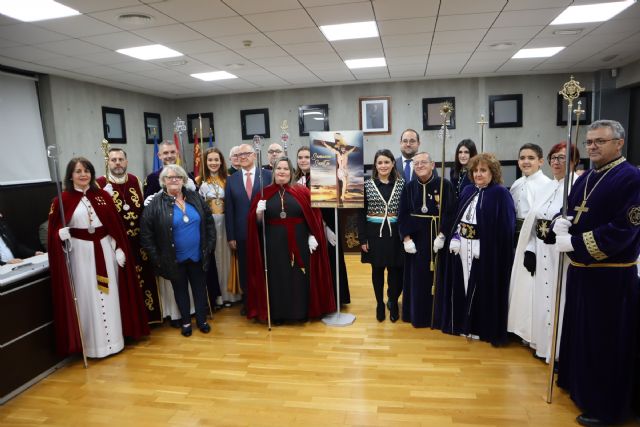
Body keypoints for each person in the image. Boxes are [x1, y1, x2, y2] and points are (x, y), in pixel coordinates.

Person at [552, 120, 640, 426]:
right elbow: (573, 210)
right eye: (589, 142)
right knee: (583, 336)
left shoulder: (632, 178)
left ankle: (606, 407)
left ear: (619, 143)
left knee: (606, 342)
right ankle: (581, 387)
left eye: (599, 142)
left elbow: (624, 230)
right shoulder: (587, 176)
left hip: (611, 278)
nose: (592, 147)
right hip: (581, 273)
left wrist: (574, 241)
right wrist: (558, 223)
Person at [47, 157, 149, 358]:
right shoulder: (61, 200)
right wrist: (59, 235)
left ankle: (115, 342)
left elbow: (114, 227)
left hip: (105, 250)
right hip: (79, 255)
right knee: (87, 298)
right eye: (78, 171)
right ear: (70, 176)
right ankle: (95, 347)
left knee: (110, 295)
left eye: (87, 170)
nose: (83, 175)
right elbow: (53, 232)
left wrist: (118, 248)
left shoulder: (103, 196)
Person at [507, 142, 580, 361]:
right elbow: (533, 221)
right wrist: (530, 249)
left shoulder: (577, 186)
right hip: (540, 249)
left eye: (562, 158)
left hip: (561, 254)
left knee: (558, 299)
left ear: (574, 160)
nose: (557, 162)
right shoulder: (548, 187)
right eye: (554, 158)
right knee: (539, 298)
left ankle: (558, 351)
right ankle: (541, 345)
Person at [246, 157, 335, 323]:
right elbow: (256, 226)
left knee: (299, 278)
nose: (282, 172)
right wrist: (258, 213)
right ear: (274, 172)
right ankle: (279, 314)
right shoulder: (263, 193)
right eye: (279, 168)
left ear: (291, 172)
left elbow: (314, 218)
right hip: (274, 246)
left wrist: (311, 235)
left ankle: (300, 313)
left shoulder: (302, 192)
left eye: (286, 169)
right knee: (277, 279)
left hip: (300, 243)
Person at [440, 153, 515, 345]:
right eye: (475, 171)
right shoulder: (467, 190)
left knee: (480, 288)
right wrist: (455, 237)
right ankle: (462, 324)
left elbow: (506, 229)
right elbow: (459, 219)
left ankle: (480, 328)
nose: (478, 174)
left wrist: (487, 244)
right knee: (463, 284)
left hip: (485, 252)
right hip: (463, 247)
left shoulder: (500, 194)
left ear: (493, 172)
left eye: (483, 170)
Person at [140, 164, 216, 337]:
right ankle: (186, 322)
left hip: (198, 255)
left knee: (199, 289)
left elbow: (209, 222)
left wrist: (209, 246)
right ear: (163, 181)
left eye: (178, 177)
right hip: (173, 259)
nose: (174, 180)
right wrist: (157, 258)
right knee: (180, 291)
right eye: (169, 177)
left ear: (183, 180)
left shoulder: (195, 197)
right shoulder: (155, 204)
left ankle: (202, 321)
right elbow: (146, 234)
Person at [96, 148, 162, 324]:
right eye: (113, 160)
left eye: (120, 159)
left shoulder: (135, 180)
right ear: (107, 162)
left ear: (126, 161)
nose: (117, 163)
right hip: (118, 243)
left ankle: (148, 318)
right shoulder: (99, 184)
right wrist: (105, 198)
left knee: (145, 280)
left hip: (139, 242)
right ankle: (130, 322)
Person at [398, 152, 455, 328]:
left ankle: (437, 317)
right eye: (416, 164)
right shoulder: (408, 187)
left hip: (438, 239)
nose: (420, 166)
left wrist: (443, 234)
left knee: (438, 278)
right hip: (416, 240)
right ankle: (417, 316)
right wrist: (406, 239)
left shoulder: (445, 185)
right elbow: (402, 214)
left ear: (433, 165)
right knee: (417, 279)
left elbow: (451, 212)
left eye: (424, 162)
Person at [143, 140, 196, 325]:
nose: (169, 156)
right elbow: (147, 210)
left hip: (187, 239)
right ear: (159, 156)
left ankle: (191, 312)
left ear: (177, 152)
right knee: (172, 280)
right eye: (165, 153)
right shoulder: (152, 178)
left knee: (189, 279)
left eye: (172, 152)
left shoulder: (187, 175)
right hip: (165, 239)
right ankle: (175, 314)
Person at [295, 146, 351, 306]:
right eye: (300, 157)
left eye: (307, 157)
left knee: (331, 261)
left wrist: (325, 227)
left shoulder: (323, 177)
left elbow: (327, 206)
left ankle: (335, 299)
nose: (303, 160)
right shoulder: (296, 180)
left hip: (325, 226)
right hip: (305, 228)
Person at [358, 149, 405, 322]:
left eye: (387, 162)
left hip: (396, 236)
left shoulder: (402, 184)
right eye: (380, 163)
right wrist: (362, 238)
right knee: (377, 271)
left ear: (393, 163)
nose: (383, 165)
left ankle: (392, 301)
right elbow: (360, 214)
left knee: (395, 272)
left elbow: (406, 212)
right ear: (375, 166)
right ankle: (379, 303)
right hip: (374, 236)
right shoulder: (367, 185)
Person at [224, 143, 272, 315]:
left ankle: (268, 301)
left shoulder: (267, 175)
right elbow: (229, 210)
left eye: (246, 153)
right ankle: (249, 303)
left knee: (267, 266)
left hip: (265, 231)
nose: (242, 157)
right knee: (246, 270)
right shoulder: (231, 180)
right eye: (239, 154)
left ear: (254, 155)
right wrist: (231, 236)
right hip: (242, 234)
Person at [197, 147, 241, 308]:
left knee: (228, 258)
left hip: (226, 224)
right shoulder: (198, 181)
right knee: (214, 259)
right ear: (205, 162)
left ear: (221, 161)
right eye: (210, 160)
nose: (213, 163)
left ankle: (231, 295)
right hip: (209, 226)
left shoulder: (229, 179)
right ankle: (217, 296)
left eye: (216, 159)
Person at [510, 143, 551, 241]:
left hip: (534, 237)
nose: (526, 161)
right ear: (518, 161)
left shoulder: (547, 185)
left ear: (540, 161)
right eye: (522, 158)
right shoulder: (516, 183)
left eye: (531, 158)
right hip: (514, 236)